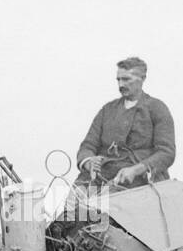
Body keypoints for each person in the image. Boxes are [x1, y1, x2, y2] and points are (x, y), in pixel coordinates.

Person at [75, 57, 175, 189]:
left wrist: (136, 170)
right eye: (118, 79)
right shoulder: (107, 110)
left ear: (142, 78)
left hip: (140, 180)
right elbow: (88, 145)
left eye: (126, 79)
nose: (121, 85)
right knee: (73, 206)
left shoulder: (157, 108)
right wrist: (89, 162)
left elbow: (166, 153)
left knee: (110, 206)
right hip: (101, 176)